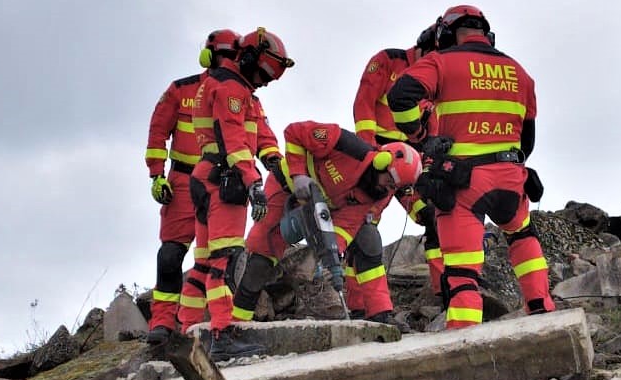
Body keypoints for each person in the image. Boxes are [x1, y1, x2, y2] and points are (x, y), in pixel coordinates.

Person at [387, 5, 555, 330]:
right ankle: (542, 311)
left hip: (463, 184)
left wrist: (418, 136)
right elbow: (527, 139)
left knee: (463, 273)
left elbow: (400, 95)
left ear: (446, 34)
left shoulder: (440, 61)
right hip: (511, 178)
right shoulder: (520, 72)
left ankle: (464, 345)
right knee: (522, 237)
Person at [225, 122, 424, 360]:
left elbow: (347, 226)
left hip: (324, 206)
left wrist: (331, 253)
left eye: (394, 187)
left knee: (368, 238)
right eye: (388, 182)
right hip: (286, 187)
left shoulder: (379, 193)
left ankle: (379, 316)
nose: (388, 189)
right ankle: (234, 330)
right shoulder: (345, 145)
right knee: (261, 261)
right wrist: (298, 176)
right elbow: (294, 132)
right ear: (381, 162)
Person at [187, 27, 294, 361]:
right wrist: (254, 183)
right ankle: (221, 335)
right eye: (262, 73)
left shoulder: (242, 91)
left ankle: (187, 334)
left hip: (210, 177)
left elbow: (261, 133)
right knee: (224, 260)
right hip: (225, 181)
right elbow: (233, 139)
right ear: (247, 58)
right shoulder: (229, 88)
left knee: (205, 262)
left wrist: (275, 162)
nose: (264, 81)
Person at [143, 29, 241, 344]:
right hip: (182, 184)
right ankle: (161, 324)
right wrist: (156, 175)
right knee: (170, 256)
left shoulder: (239, 93)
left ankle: (214, 327)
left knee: (220, 258)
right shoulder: (180, 90)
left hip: (222, 184)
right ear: (208, 56)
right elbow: (158, 131)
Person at [352, 23, 446, 306]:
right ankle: (358, 305)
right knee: (364, 225)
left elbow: (434, 123)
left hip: (412, 164)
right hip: (379, 160)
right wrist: (368, 152)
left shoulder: (436, 78)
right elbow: (364, 103)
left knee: (433, 217)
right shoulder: (387, 61)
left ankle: (445, 294)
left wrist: (432, 164)